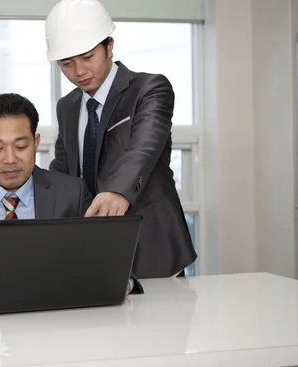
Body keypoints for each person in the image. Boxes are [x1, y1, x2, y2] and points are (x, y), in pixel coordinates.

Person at [0, 93, 142, 295]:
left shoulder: (72, 192)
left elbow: (106, 259)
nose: (10, 159)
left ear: (36, 142)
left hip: (59, 313)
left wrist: (122, 283)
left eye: (21, 146)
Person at [44, 0, 197, 280]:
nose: (78, 71)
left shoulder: (150, 89)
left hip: (152, 245)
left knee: (164, 323)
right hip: (93, 250)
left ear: (109, 46)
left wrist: (117, 190)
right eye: (66, 63)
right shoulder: (67, 106)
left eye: (87, 57)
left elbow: (143, 148)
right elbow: (64, 170)